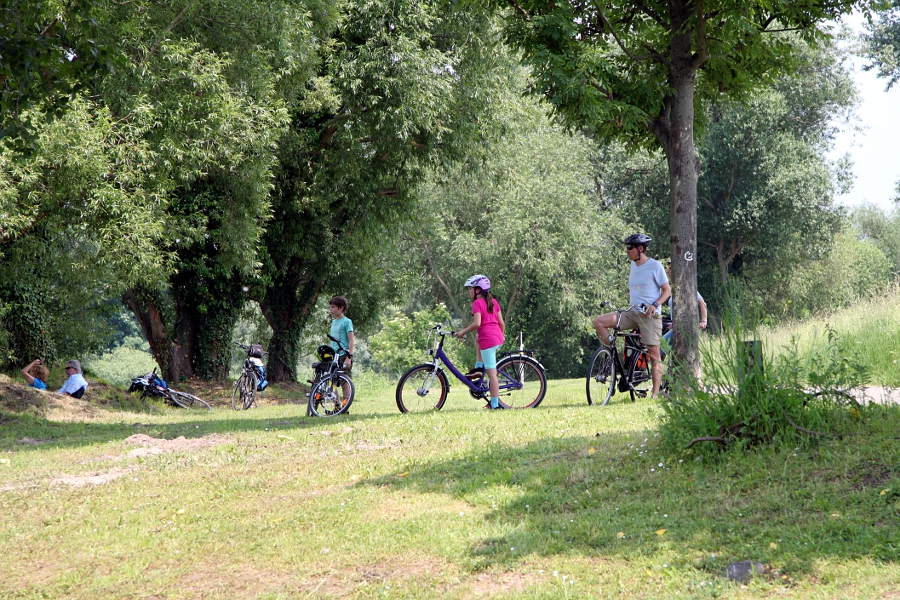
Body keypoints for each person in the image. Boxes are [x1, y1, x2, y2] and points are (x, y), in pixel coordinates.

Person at [592, 234, 670, 398]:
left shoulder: (655, 266)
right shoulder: (634, 266)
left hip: (649, 316)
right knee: (599, 322)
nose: (627, 251)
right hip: (631, 312)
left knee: (654, 354)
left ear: (640, 249)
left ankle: (656, 393)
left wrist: (654, 305)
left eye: (630, 248)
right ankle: (611, 355)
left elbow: (667, 290)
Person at [455, 275, 506, 410]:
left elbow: (477, 323)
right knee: (478, 338)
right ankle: (478, 367)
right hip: (497, 338)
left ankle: (494, 405)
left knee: (492, 374)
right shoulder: (494, 302)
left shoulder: (477, 303)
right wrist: (502, 335)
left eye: (470, 289)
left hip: (488, 342)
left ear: (477, 290)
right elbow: (501, 323)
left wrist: (462, 332)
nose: (468, 291)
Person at [661, 263, 708, 349]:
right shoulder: (676, 287)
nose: (668, 271)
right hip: (676, 328)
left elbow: (702, 303)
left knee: (660, 347)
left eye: (670, 268)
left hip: (685, 328)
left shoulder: (686, 286)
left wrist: (704, 321)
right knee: (671, 353)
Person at [328, 296, 355, 406]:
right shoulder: (333, 323)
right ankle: (337, 405)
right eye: (330, 307)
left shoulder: (347, 322)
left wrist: (349, 357)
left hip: (344, 354)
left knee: (345, 382)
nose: (331, 309)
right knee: (331, 382)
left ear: (341, 308)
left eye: (333, 307)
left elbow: (351, 340)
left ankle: (345, 406)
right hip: (334, 356)